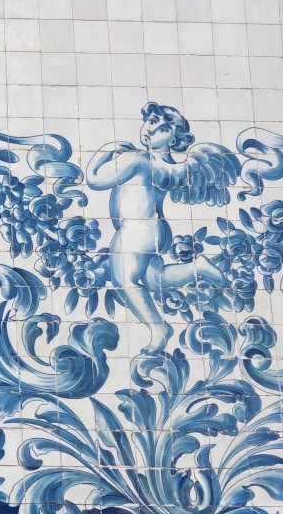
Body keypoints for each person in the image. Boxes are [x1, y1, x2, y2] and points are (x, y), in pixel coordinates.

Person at [85, 102, 236, 354]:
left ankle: (158, 329)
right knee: (155, 280)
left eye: (161, 127)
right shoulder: (169, 168)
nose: (150, 129)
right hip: (156, 231)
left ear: (176, 138)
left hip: (135, 229)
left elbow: (95, 180)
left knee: (125, 280)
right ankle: (196, 267)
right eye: (150, 122)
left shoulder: (135, 159)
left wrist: (103, 152)